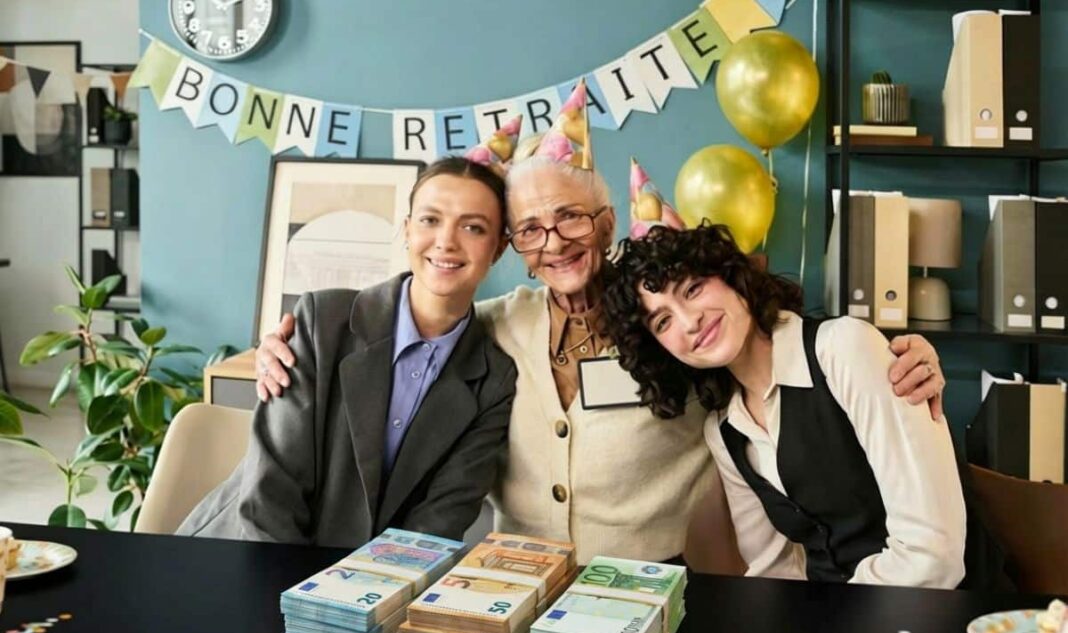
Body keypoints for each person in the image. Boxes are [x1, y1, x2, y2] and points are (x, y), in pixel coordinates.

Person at [252, 83, 949, 566]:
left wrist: (900, 354)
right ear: (514, 249)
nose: (554, 241)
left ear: (607, 223)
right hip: (516, 578)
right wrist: (288, 345)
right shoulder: (492, 327)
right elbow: (403, 338)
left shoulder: (667, 321)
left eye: (571, 218)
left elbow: (764, 339)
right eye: (530, 229)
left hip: (643, 584)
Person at [602, 223, 970, 588]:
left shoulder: (844, 349)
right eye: (663, 322)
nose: (689, 321)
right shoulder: (724, 431)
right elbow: (771, 569)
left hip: (937, 608)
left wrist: (831, 620)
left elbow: (933, 556)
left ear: (731, 277)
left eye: (693, 289)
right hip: (823, 614)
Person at [177, 155, 518, 546]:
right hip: (247, 551)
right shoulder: (322, 320)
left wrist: (372, 584)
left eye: (473, 227)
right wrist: (294, 586)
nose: (446, 241)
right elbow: (271, 496)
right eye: (430, 220)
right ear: (407, 230)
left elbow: (438, 523)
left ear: (498, 247)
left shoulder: (494, 379)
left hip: (371, 576)